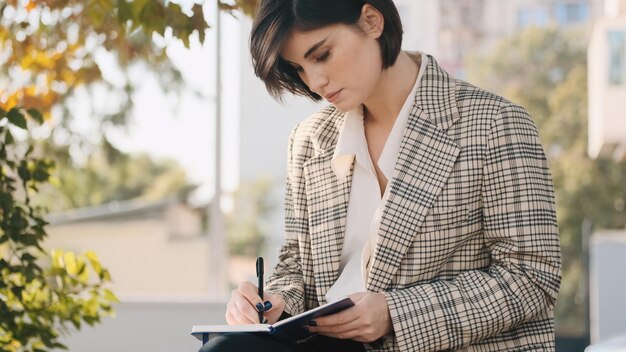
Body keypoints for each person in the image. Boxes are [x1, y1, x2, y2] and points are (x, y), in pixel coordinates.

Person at [200, 0, 562, 351]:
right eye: (299, 68)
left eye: (322, 55)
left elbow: (532, 277)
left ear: (372, 21)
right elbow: (295, 265)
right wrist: (272, 300)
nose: (315, 82)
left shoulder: (493, 124)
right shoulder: (309, 140)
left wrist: (395, 314)